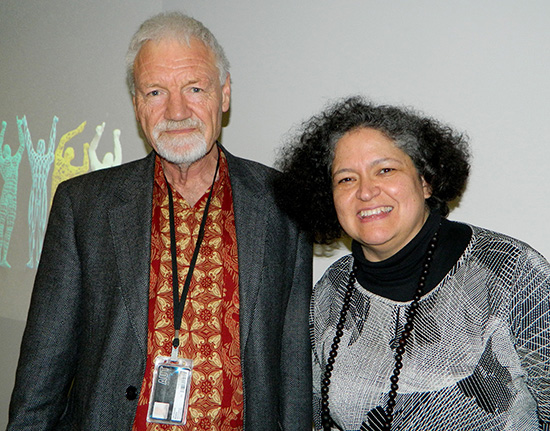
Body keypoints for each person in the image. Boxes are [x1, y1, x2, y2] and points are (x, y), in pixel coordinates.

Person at [8, 12, 312, 431]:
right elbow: (43, 369)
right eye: (155, 91)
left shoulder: (283, 204)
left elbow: (293, 368)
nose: (176, 110)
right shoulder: (83, 205)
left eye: (194, 88)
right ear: (137, 105)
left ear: (224, 95)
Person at [275, 96, 550, 431]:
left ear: (426, 180)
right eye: (346, 178)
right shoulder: (333, 290)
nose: (365, 192)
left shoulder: (511, 271)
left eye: (385, 170)